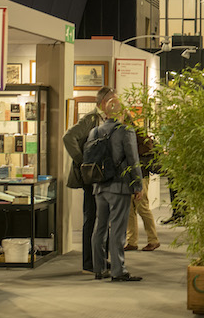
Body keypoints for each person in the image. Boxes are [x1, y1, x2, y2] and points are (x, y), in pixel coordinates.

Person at [89, 96, 144, 282]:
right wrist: (138, 185)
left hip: (99, 186)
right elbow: (133, 160)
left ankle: (99, 268)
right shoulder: (126, 131)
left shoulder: (94, 132)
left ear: (105, 112)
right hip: (119, 186)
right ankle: (118, 271)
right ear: (121, 113)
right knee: (118, 229)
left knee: (100, 227)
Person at [63, 86, 116, 274]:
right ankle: (89, 261)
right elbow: (68, 137)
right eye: (113, 100)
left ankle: (101, 258)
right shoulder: (90, 119)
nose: (116, 103)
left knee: (104, 219)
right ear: (104, 102)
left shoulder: (108, 119)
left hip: (103, 176)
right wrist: (82, 162)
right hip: (91, 177)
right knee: (91, 218)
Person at [124, 121, 160, 252]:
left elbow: (148, 149)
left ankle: (153, 239)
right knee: (129, 209)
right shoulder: (126, 132)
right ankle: (132, 241)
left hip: (141, 175)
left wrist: (132, 153)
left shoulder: (137, 133)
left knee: (142, 207)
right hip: (129, 174)